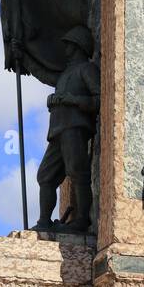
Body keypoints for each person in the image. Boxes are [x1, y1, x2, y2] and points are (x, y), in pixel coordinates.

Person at [36, 25, 100, 234]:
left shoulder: (86, 69)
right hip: (57, 131)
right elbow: (41, 70)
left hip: (75, 128)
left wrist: (72, 100)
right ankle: (44, 221)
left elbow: (98, 99)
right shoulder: (65, 74)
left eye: (69, 46)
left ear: (78, 46)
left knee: (77, 172)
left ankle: (82, 220)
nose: (65, 49)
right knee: (45, 177)